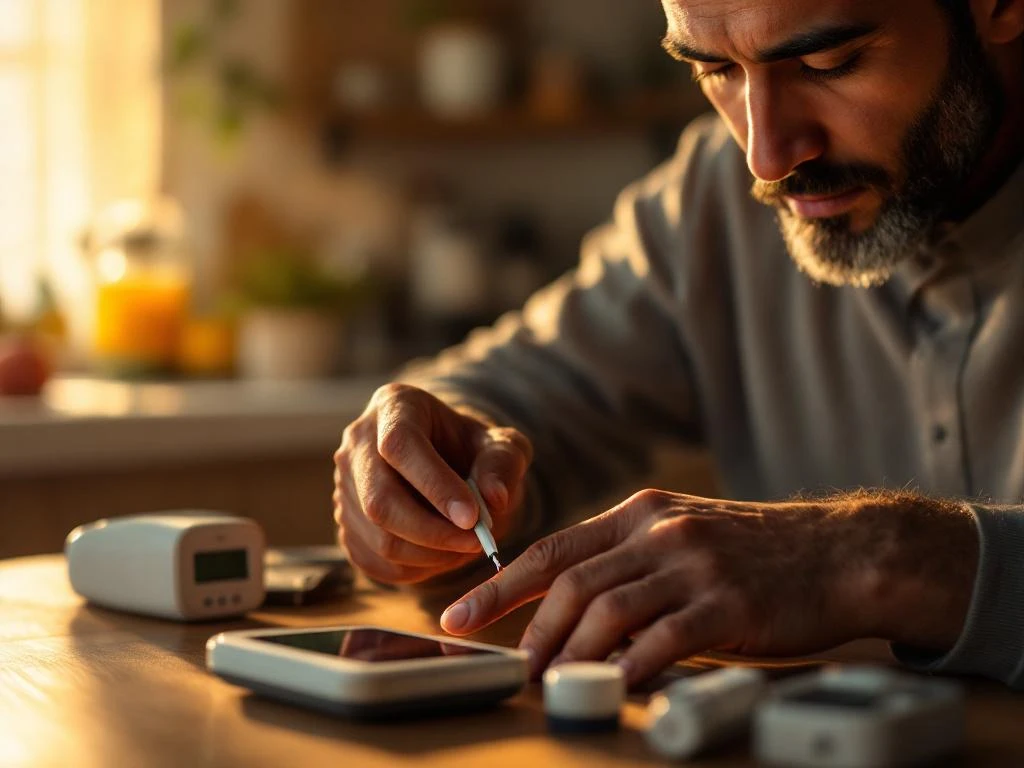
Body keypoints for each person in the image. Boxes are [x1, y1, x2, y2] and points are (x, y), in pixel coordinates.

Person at [333, 0, 1024, 688]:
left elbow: (891, 564)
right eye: (715, 69)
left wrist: (884, 559)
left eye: (828, 63)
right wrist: (425, 464)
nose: (767, 155)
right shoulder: (713, 196)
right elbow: (508, 392)